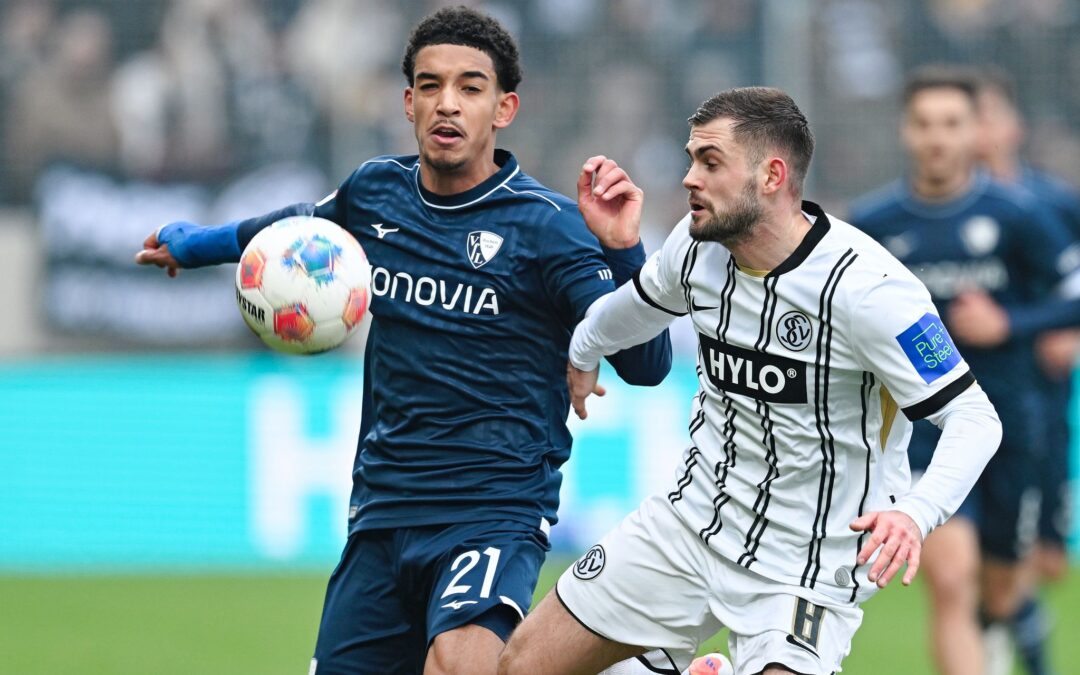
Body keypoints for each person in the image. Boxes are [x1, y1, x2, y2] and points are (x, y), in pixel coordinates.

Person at [134, 7, 671, 675]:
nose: (448, 103)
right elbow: (296, 229)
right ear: (408, 102)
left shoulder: (549, 228)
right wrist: (199, 243)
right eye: (431, 85)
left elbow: (648, 364)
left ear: (504, 108)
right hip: (383, 510)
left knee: (459, 665)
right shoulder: (375, 192)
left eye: (471, 88)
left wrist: (623, 252)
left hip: (492, 507)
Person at [497, 86, 1002, 675]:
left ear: (771, 176)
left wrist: (915, 513)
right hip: (691, 524)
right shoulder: (696, 246)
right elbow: (638, 304)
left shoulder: (872, 291)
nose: (689, 178)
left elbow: (974, 418)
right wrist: (584, 350)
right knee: (522, 666)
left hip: (806, 567)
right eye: (691, 159)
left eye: (710, 163)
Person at [849, 66, 1079, 675]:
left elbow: (1072, 293)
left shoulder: (1018, 215)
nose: (937, 138)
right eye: (924, 124)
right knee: (950, 580)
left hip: (1012, 426)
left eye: (951, 124)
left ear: (975, 130)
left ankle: (1002, 628)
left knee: (1001, 589)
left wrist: (1011, 324)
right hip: (922, 430)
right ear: (906, 131)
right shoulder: (873, 225)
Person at [963, 68, 1080, 675]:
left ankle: (1014, 639)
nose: (976, 131)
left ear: (1013, 126)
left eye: (984, 115)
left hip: (1038, 403)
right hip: (959, 406)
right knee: (959, 564)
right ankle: (988, 644)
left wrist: (1053, 331)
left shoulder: (1054, 203)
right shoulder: (939, 211)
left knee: (1033, 564)